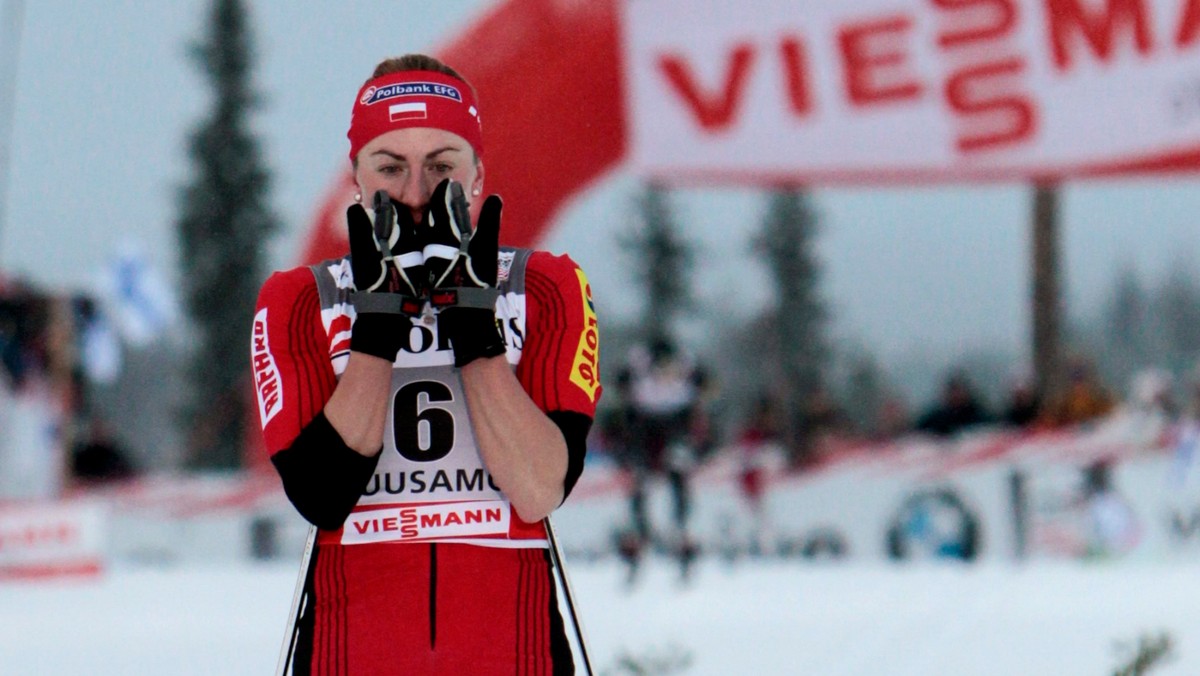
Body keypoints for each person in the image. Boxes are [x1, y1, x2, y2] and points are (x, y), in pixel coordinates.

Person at [252, 54, 601, 674]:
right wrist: (378, 325)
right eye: (390, 168)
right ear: (355, 180)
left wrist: (473, 327)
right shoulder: (298, 301)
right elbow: (322, 493)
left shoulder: (547, 286)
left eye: (441, 167)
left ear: (476, 176)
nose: (415, 195)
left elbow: (540, 487)